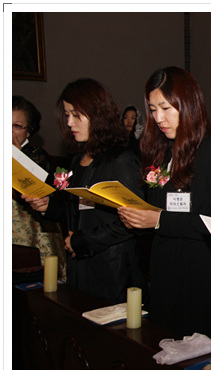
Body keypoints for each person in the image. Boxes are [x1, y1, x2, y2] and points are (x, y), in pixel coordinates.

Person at [118, 66, 211, 348]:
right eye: (153, 110)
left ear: (188, 104)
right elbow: (157, 211)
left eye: (166, 108)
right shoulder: (163, 153)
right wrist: (135, 218)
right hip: (165, 273)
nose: (159, 118)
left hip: (202, 277)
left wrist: (158, 220)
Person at [23, 78, 144, 303]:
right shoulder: (78, 160)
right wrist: (48, 206)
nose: (70, 122)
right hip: (80, 265)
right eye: (67, 115)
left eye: (76, 115)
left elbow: (133, 223)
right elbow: (76, 213)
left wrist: (81, 241)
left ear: (98, 114)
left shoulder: (120, 160)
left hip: (111, 270)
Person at [12, 95, 67, 279]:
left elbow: (33, 190)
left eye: (16, 126)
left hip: (30, 231)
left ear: (29, 131)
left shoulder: (36, 155)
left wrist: (16, 156)